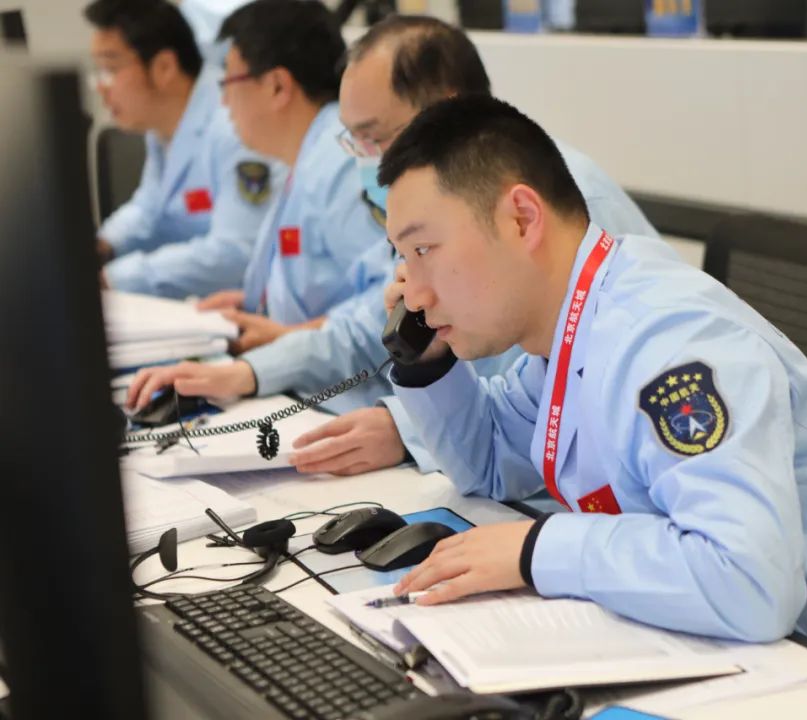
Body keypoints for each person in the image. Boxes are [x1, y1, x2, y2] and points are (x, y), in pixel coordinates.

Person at [376, 95, 807, 720]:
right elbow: (488, 462)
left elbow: (747, 580)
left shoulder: (666, 340)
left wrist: (539, 550)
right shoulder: (569, 328)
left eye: (425, 250)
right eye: (404, 260)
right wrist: (424, 361)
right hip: (800, 664)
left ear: (522, 217)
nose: (416, 290)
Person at [130, 16, 664, 469]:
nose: (366, 160)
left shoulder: (547, 201)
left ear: (444, 113)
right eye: (354, 140)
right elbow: (375, 318)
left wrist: (408, 432)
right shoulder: (434, 205)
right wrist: (251, 371)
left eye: (375, 136)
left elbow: (529, 405)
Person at [125, 0, 394, 412]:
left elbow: (391, 302)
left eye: (229, 81)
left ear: (277, 87)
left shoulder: (340, 165)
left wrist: (292, 337)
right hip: (311, 385)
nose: (223, 103)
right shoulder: (308, 155)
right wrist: (256, 301)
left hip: (352, 402)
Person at [87, 0, 280, 298]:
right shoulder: (163, 126)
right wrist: (103, 245)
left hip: (243, 306)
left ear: (164, 67)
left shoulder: (233, 125)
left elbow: (235, 252)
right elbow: (150, 208)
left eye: (111, 69)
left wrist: (115, 278)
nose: (101, 86)